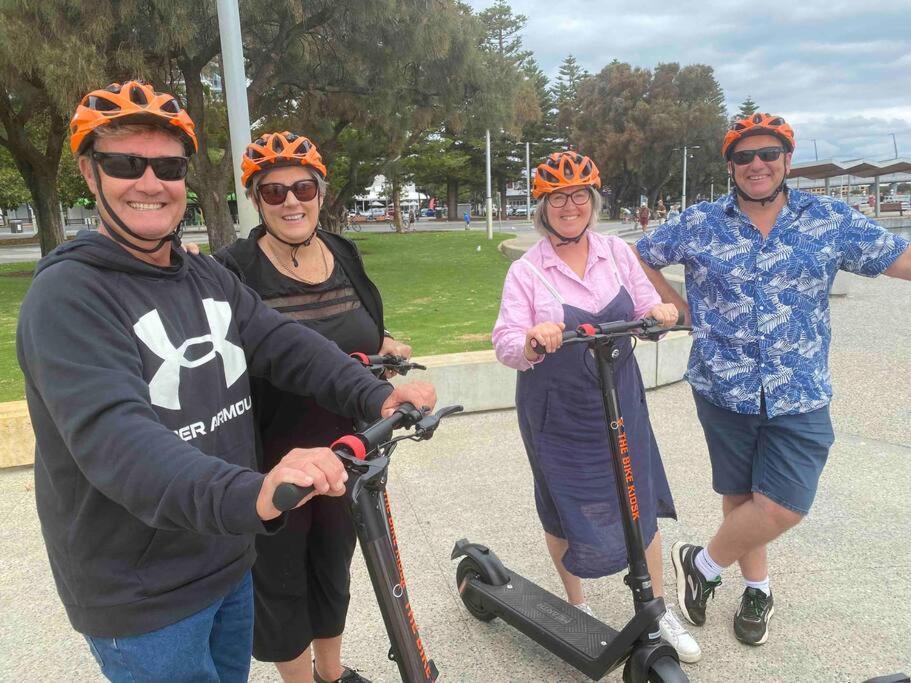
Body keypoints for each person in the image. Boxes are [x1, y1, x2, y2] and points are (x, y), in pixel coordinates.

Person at [16, 81, 436, 683]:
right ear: (89, 173)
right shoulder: (69, 297)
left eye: (167, 165)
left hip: (227, 556)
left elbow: (285, 343)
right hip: (143, 594)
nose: (150, 182)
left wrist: (374, 392)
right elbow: (118, 440)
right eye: (124, 163)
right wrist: (255, 492)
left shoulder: (203, 277)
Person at [635, 112, 911, 646]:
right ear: (731, 166)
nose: (756, 164)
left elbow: (900, 258)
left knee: (783, 503)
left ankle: (704, 563)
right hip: (722, 385)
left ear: (787, 160)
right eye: (744, 157)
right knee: (742, 499)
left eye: (768, 154)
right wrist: (676, 306)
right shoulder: (700, 222)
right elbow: (638, 257)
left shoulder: (827, 218)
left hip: (800, 388)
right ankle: (756, 588)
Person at [214, 131, 412, 683]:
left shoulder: (342, 252)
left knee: (334, 564)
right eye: (273, 193)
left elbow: (359, 327)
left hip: (349, 447)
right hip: (272, 453)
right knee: (280, 579)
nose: (291, 201)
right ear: (255, 200)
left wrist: (384, 347)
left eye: (303, 187)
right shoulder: (233, 269)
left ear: (321, 193)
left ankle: (332, 674)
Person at [492, 151, 701, 663]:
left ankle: (656, 608)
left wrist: (659, 312)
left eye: (579, 195)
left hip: (619, 392)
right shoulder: (527, 270)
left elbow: (642, 310)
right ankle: (578, 607)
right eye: (558, 197)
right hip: (556, 405)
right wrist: (533, 341)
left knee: (638, 493)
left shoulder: (616, 252)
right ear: (543, 208)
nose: (570, 205)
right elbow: (504, 343)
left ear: (593, 201)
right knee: (565, 498)